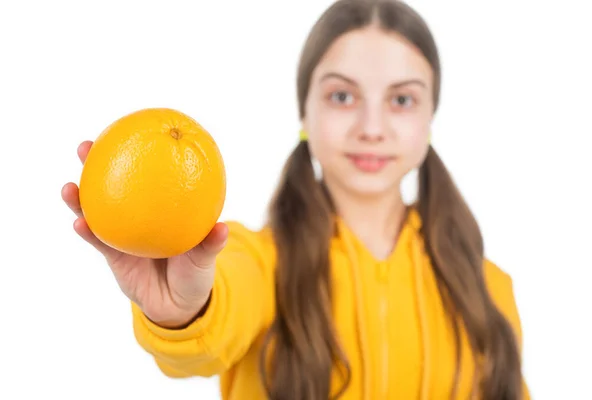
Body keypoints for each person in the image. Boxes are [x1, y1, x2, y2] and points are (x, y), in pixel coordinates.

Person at [62, 0, 530, 399]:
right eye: (342, 96)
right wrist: (183, 310)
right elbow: (214, 318)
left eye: (402, 100)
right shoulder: (254, 261)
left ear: (431, 118)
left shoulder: (491, 288)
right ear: (304, 110)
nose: (372, 127)